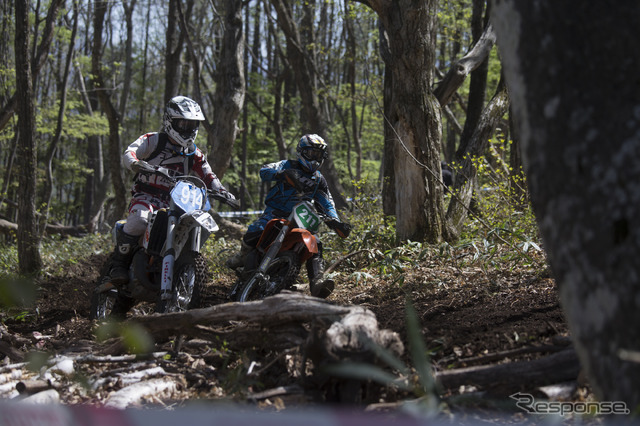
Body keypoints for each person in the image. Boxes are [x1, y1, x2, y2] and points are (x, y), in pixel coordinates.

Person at [109, 95, 237, 284]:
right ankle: (118, 266)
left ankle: (180, 268)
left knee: (190, 226)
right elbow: (130, 152)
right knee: (139, 220)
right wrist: (136, 164)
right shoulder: (154, 140)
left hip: (175, 201)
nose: (188, 129)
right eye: (183, 124)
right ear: (170, 122)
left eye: (192, 124)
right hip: (146, 195)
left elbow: (208, 175)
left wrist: (223, 192)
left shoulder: (194, 153)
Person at [226, 134, 351, 298]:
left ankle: (317, 283)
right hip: (276, 212)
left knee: (316, 243)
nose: (315, 158)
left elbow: (327, 202)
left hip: (300, 218)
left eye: (318, 155)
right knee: (255, 231)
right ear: (302, 152)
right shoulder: (287, 165)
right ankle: (242, 256)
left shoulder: (319, 179)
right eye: (311, 153)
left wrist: (336, 222)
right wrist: (282, 174)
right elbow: (264, 170)